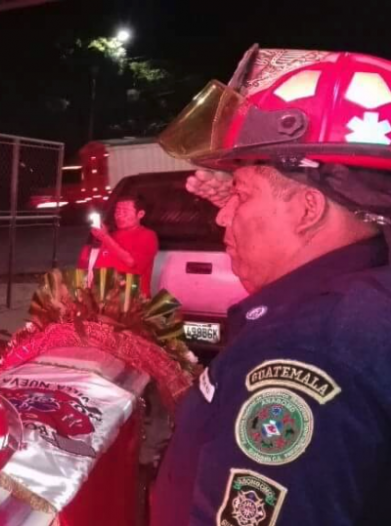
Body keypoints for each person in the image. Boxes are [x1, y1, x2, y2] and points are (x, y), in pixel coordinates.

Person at [151, 47, 391, 526]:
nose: (221, 214)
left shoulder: (308, 350)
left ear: (307, 210)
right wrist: (252, 197)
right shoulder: (363, 299)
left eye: (239, 194)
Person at [89, 195, 159, 296]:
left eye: (125, 212)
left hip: (130, 299)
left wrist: (105, 236)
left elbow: (131, 262)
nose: (119, 216)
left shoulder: (147, 235)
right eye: (117, 211)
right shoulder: (111, 235)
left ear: (140, 214)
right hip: (106, 299)